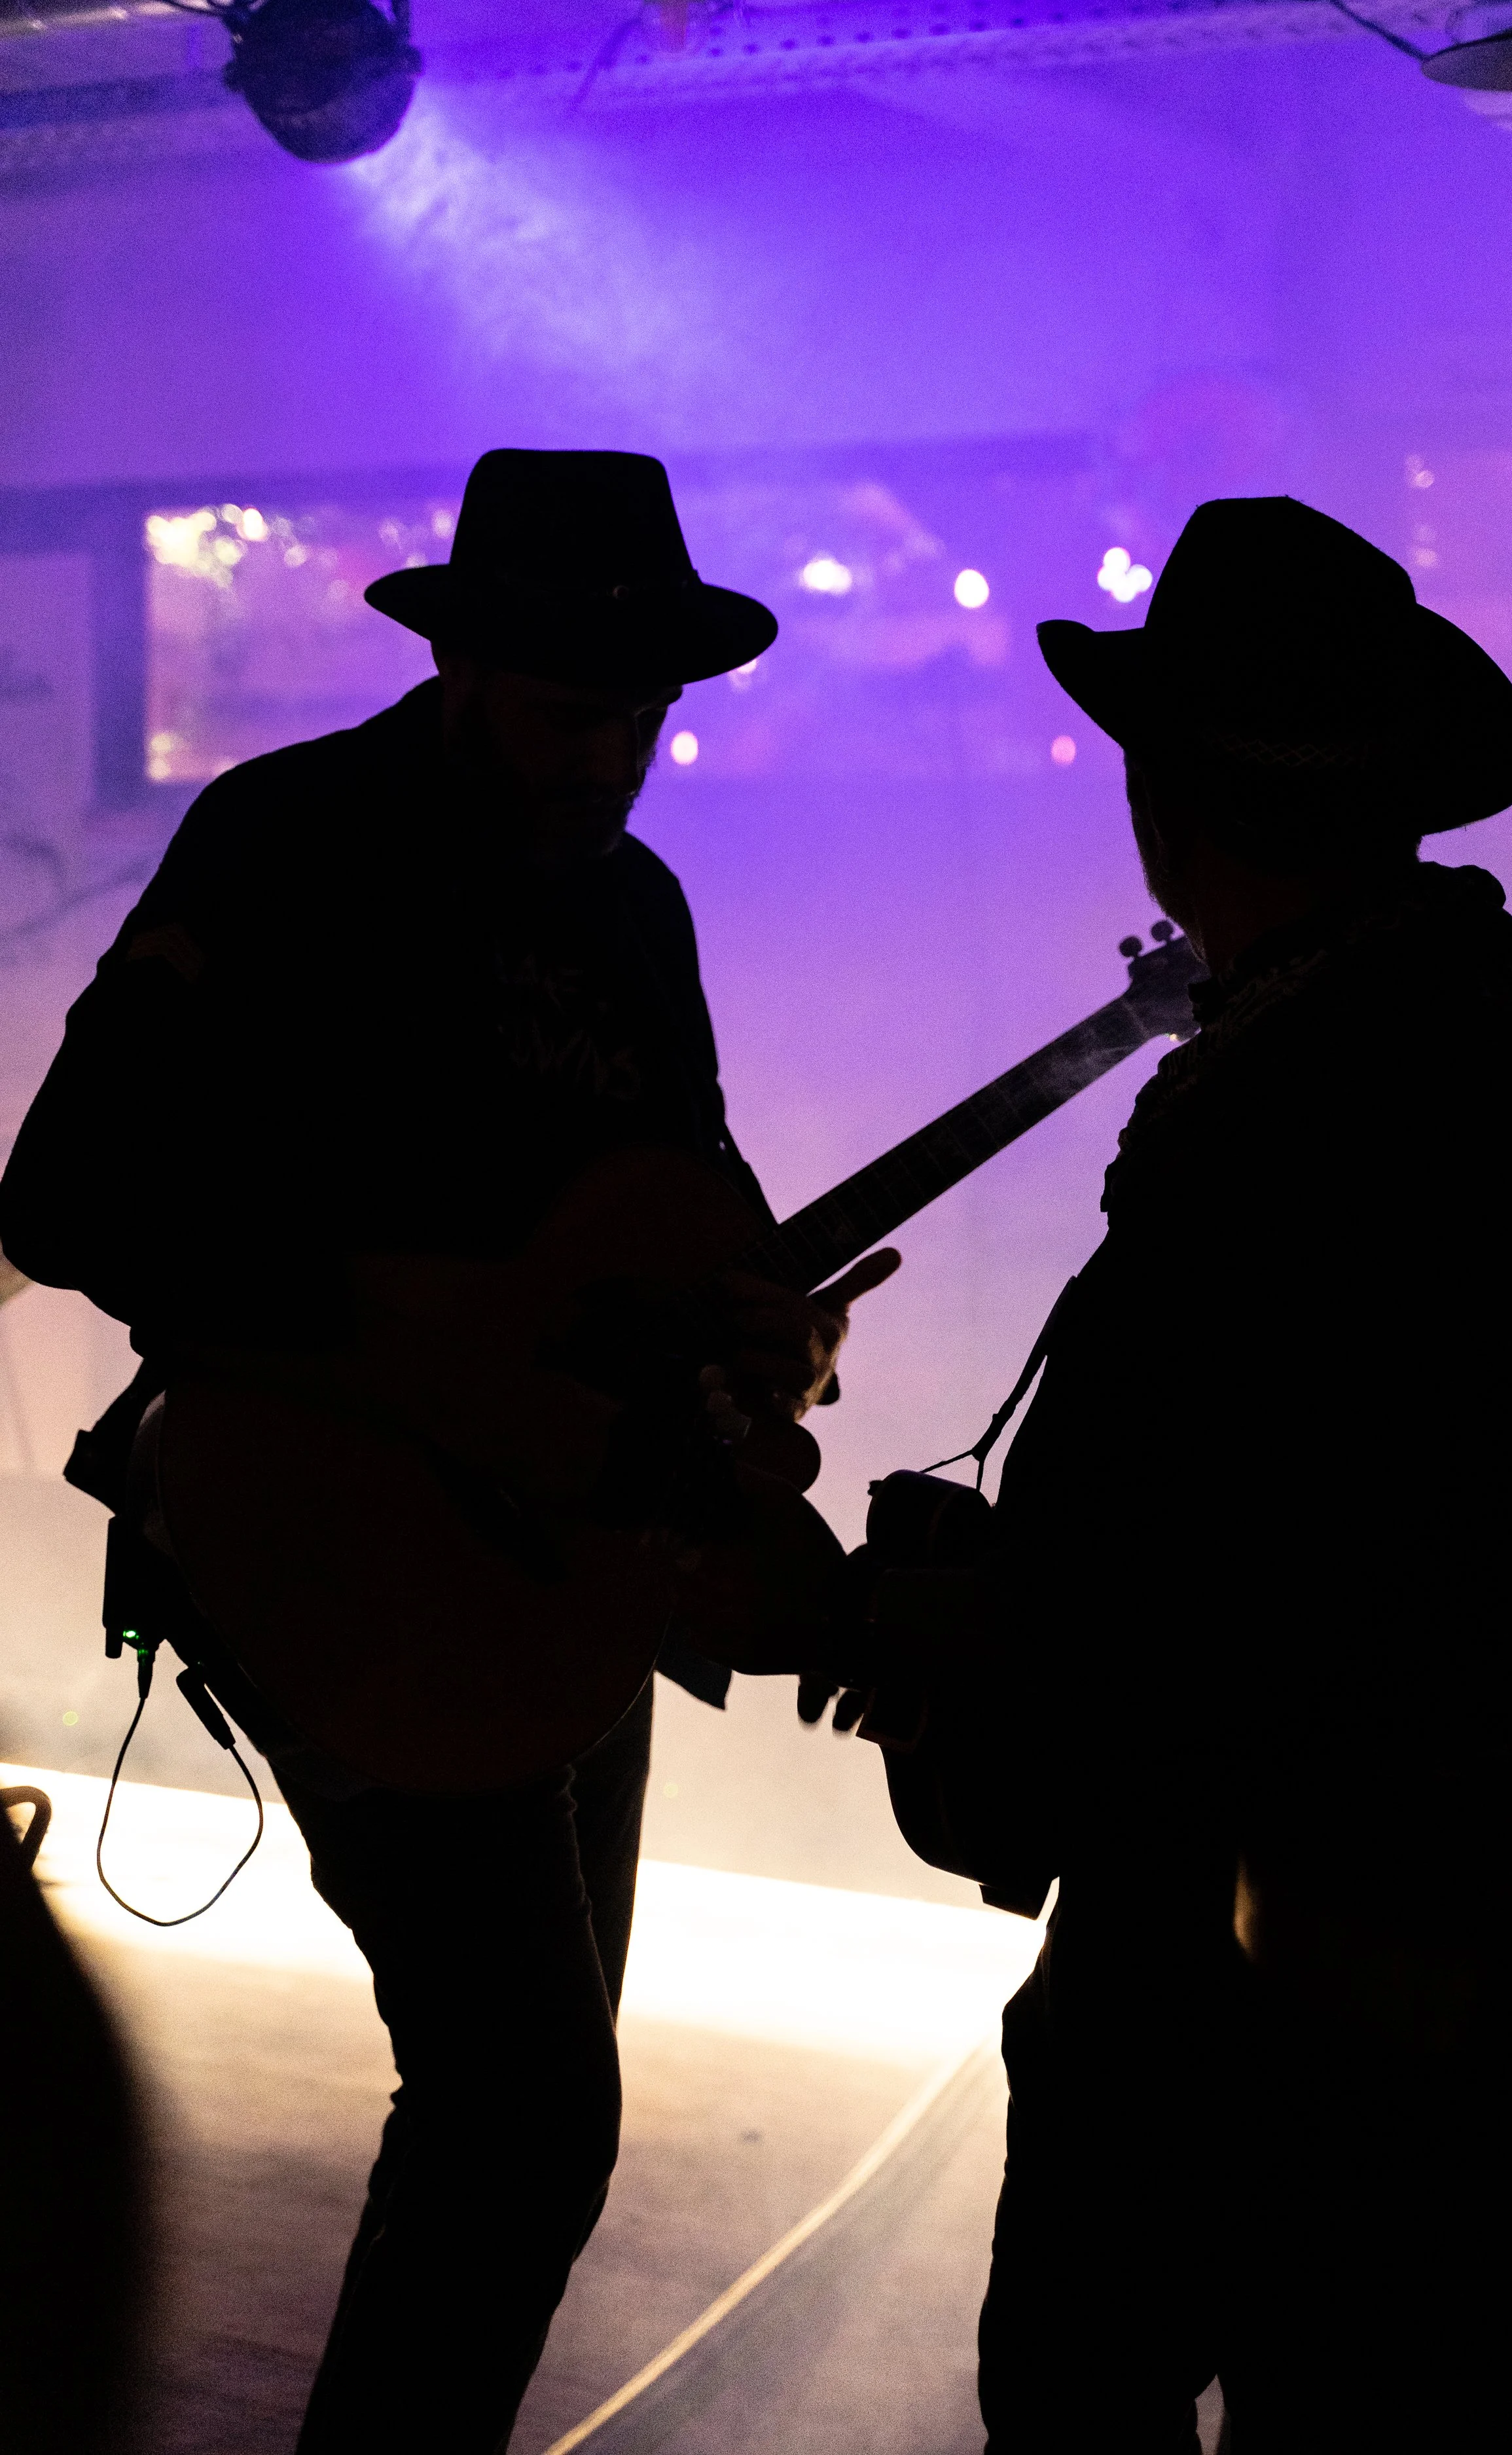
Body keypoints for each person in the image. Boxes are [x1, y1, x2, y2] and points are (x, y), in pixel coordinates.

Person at [0, 449, 895, 2454]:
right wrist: (429, 1329)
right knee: (526, 2109)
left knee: (528, 2108)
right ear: (464, 666)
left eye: (641, 718)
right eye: (573, 711)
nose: (611, 760)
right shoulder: (292, 839)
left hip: (566, 1546)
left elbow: (683, 1202)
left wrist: (765, 1322)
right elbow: (70, 1196)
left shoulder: (632, 913)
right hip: (334, 1524)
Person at [848, 497, 1512, 2450]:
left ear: (1159, 796)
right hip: (1402, 1884)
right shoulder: (1444, 1015)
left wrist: (897, 1606)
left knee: (1087, 2380)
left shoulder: (1312, 1086)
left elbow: (1186, 1569)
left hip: (1233, 1919)